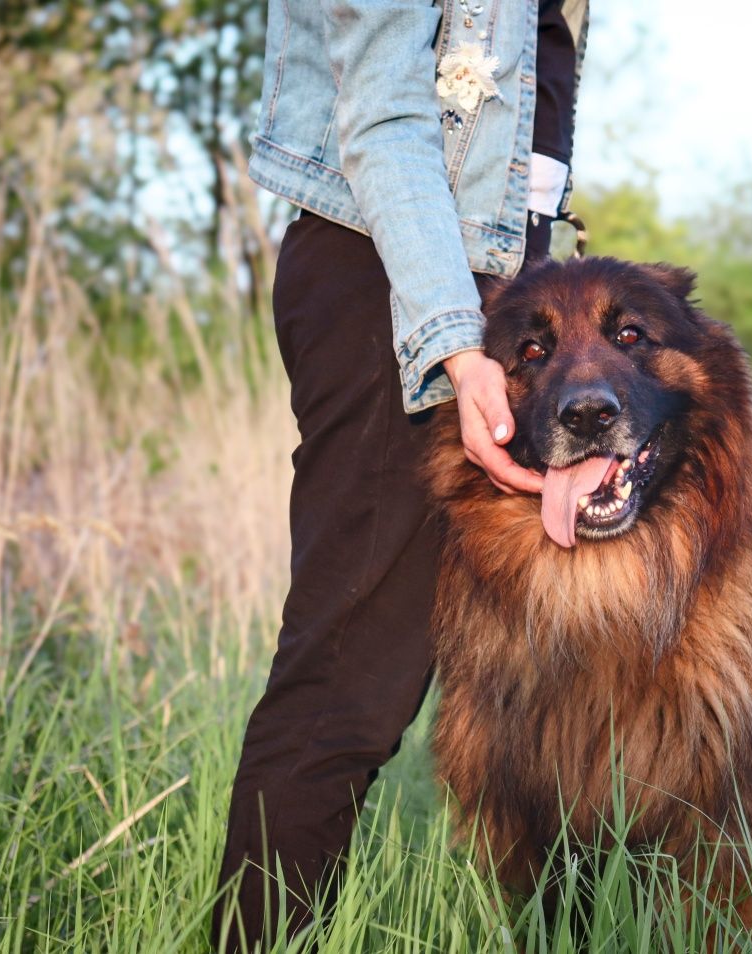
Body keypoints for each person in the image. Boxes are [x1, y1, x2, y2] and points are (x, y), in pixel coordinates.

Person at [211, 1, 588, 949]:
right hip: (400, 283)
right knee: (349, 678)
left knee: (542, 682)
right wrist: (459, 351)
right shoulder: (440, 326)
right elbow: (382, 110)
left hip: (492, 291)